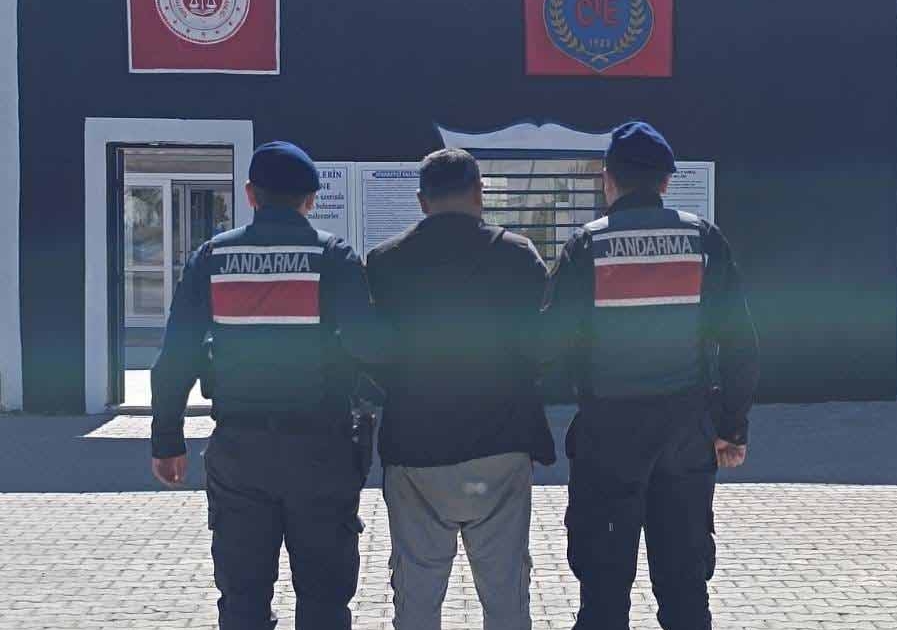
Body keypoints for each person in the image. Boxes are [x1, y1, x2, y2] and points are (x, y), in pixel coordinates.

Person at [150, 141, 395, 630]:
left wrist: (167, 441)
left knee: (243, 598)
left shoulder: (212, 257)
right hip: (321, 451)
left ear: (250, 194)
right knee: (325, 599)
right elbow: (369, 347)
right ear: (311, 199)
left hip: (240, 451)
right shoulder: (332, 255)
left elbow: (176, 355)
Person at [541, 121, 760, 630]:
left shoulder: (588, 245)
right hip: (685, 438)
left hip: (608, 438)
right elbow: (741, 345)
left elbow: (547, 345)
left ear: (608, 179)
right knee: (685, 595)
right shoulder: (703, 240)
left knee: (603, 598)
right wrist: (731, 428)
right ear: (666, 182)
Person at [364, 148, 556, 630]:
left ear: (421, 200)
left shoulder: (384, 262)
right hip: (502, 446)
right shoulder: (518, 254)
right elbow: (544, 347)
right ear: (479, 193)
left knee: (417, 595)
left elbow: (371, 352)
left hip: (415, 449)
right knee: (506, 592)